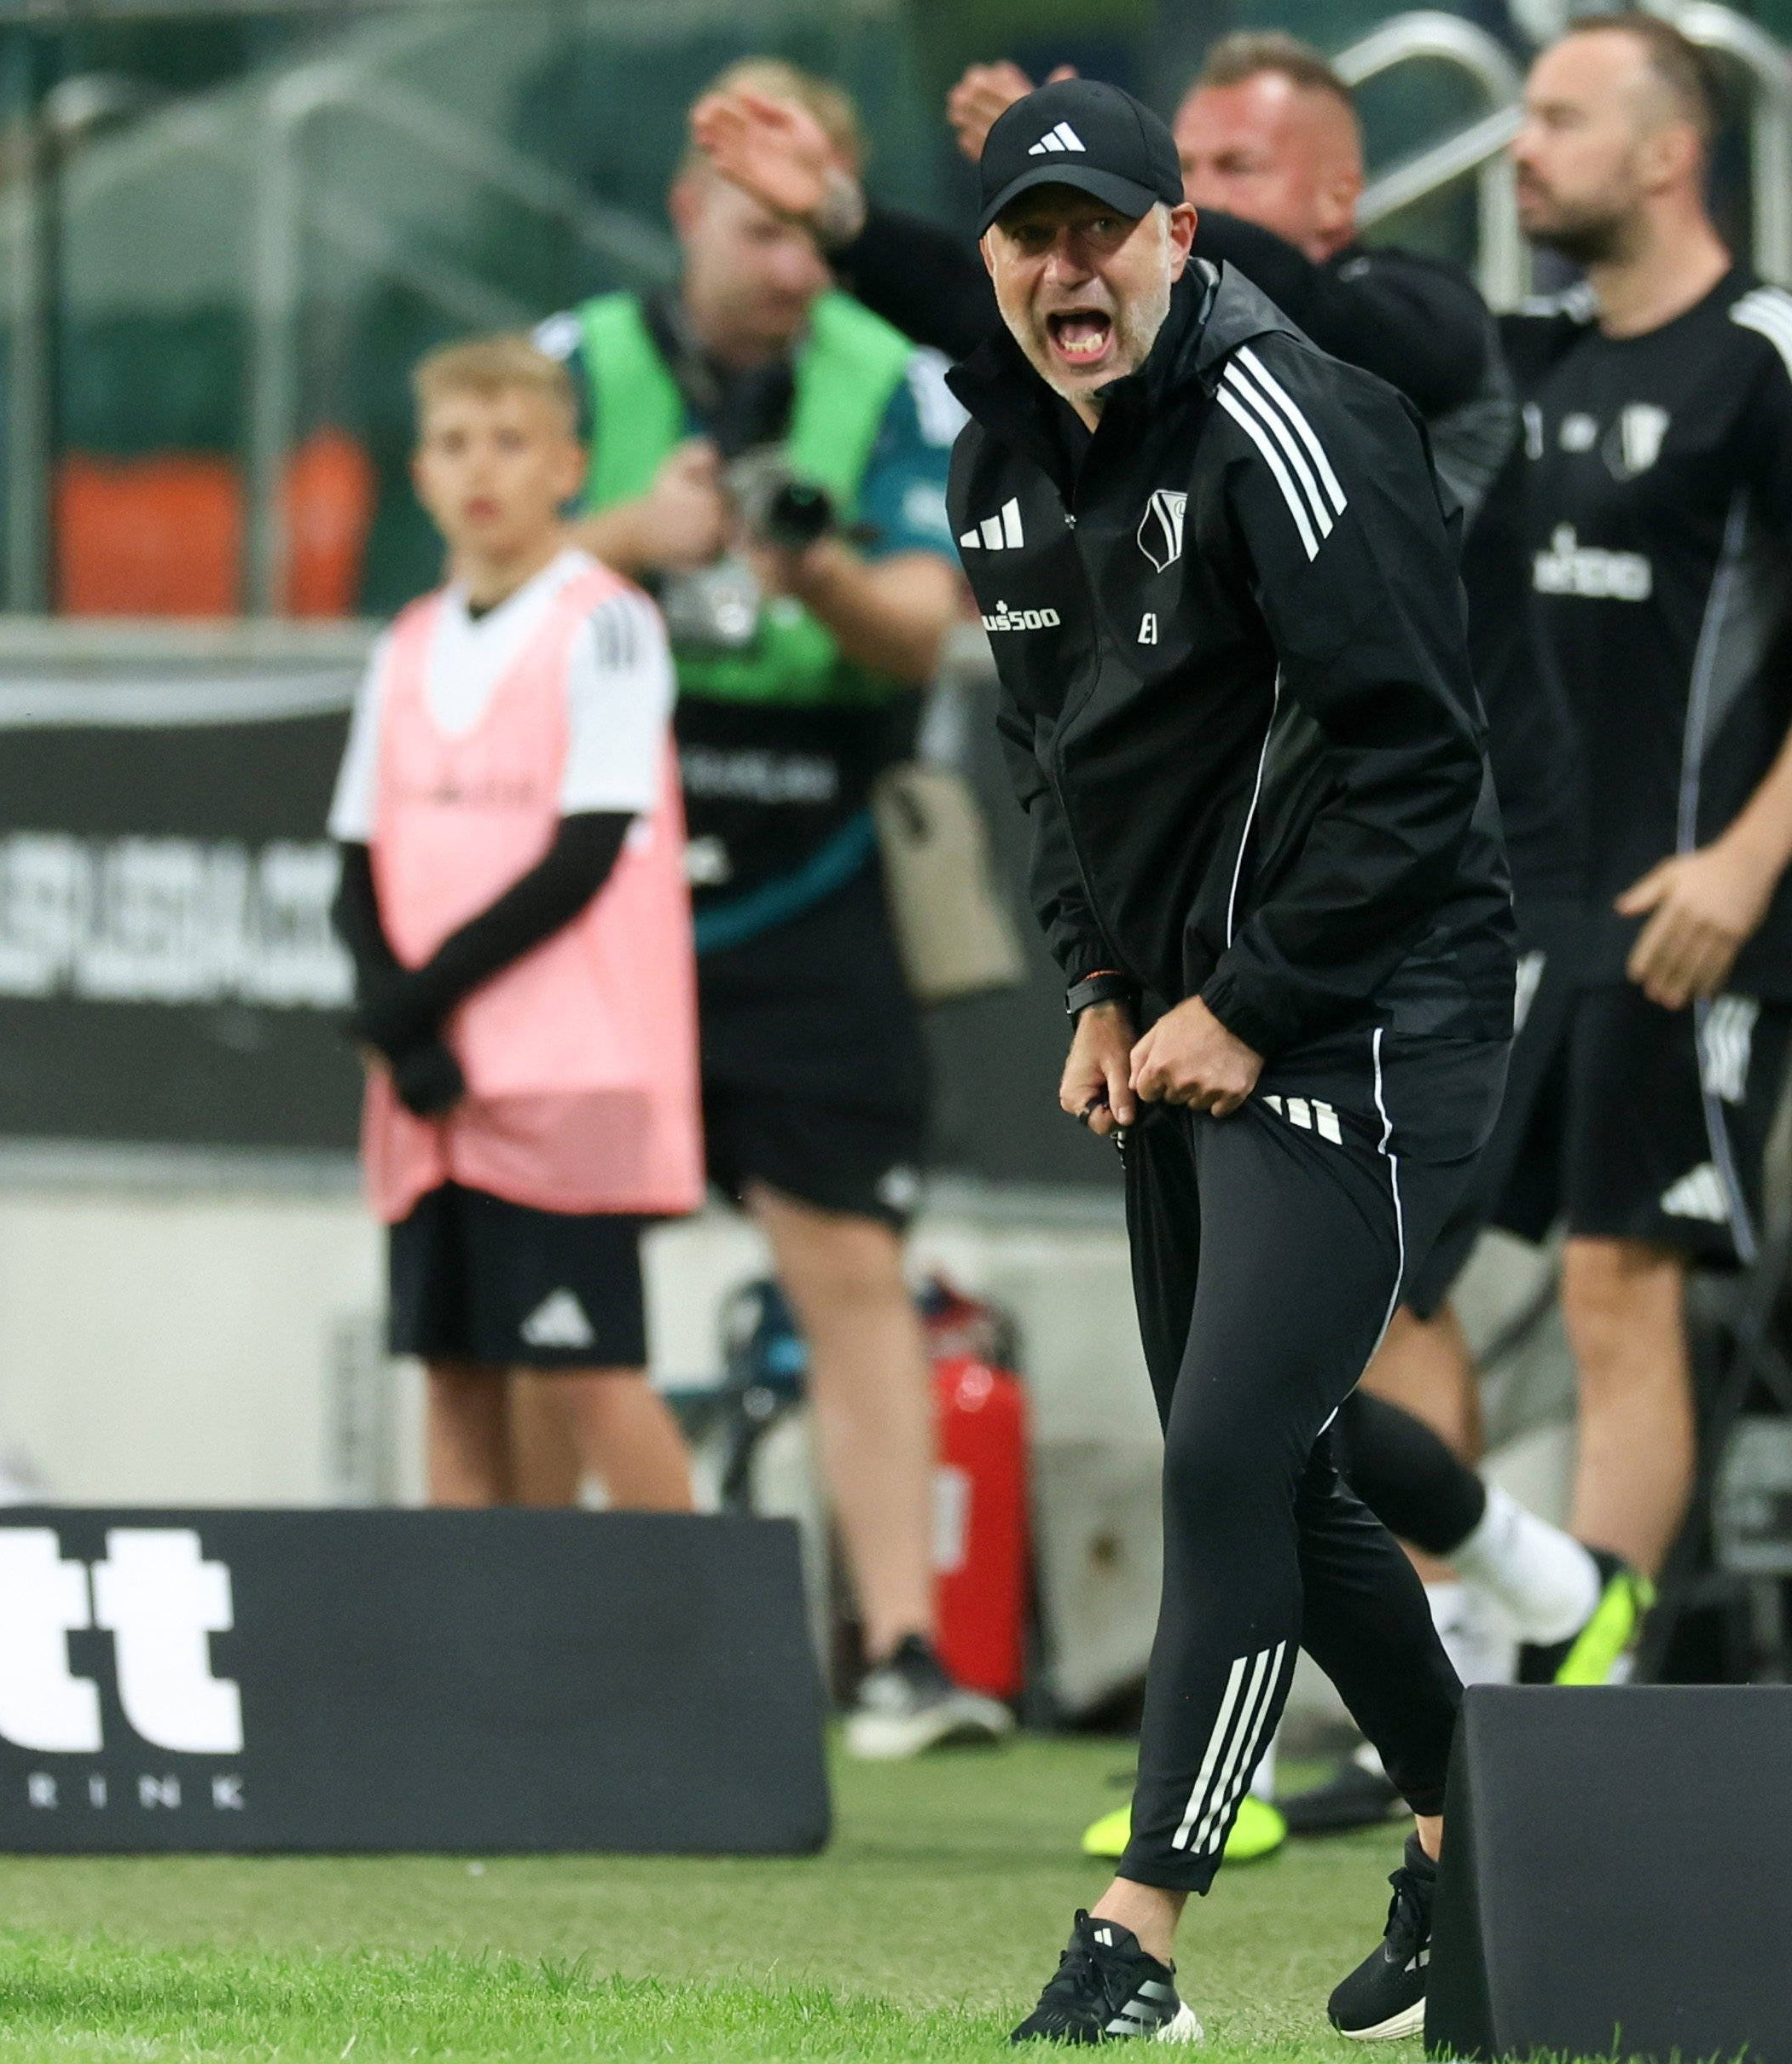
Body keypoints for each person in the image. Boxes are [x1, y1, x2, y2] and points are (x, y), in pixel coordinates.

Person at [692, 35, 1642, 1713]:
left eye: (1227, 174)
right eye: (1182, 160)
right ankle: (1502, 1613)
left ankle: (1436, 1689)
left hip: (1430, 904)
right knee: (1258, 1400)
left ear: (1306, 204)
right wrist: (1110, 983)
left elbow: (1214, 307)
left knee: (1363, 1330)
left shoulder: (1411, 332)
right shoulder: (1068, 424)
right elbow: (1050, 373)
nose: (1191, 207)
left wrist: (1098, 212)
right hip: (1250, 928)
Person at [943, 78, 1515, 2043]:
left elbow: (1421, 772)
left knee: (1227, 1448)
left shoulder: (1296, 412)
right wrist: (1101, 982)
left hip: (1377, 1001)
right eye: (1027, 234)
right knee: (1286, 1457)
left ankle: (1137, 1942)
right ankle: (1489, 1825)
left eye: (1099, 225)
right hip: (1192, 1015)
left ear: (1178, 238)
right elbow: (1052, 761)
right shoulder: (994, 470)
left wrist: (1258, 997)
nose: (1062, 265)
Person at [532, 59, 999, 1760]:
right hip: (604, 879)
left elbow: (922, 625)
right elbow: (468, 591)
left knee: (851, 1262)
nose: (792, 268)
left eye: (814, 236)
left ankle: (895, 1651)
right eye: (760, 231)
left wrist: (805, 568)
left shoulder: (891, 374)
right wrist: (618, 538)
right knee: (556, 1272)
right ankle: (542, 1629)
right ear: (684, 215)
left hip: (814, 862)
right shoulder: (576, 365)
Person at [1490, 14, 1792, 1592]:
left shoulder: (1777, 360)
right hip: (1524, 912)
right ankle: (1446, 1675)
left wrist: (1745, 864)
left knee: (1618, 1281)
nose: (1519, 145)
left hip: (1688, 922)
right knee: (1396, 1292)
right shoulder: (1527, 356)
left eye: (1557, 116)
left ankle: (1590, 1685)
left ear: (1669, 152)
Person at [326, 336, 700, 1514]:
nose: (479, 469)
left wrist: (413, 1000)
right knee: (452, 1373)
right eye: (452, 444)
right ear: (420, 473)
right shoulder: (406, 644)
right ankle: (474, 1674)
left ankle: (698, 1655)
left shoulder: (608, 624)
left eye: (510, 441)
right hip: (432, 1087)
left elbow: (585, 853)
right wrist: (403, 1025)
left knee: (591, 1371)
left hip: (561, 1075)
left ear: (568, 466)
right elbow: (357, 855)